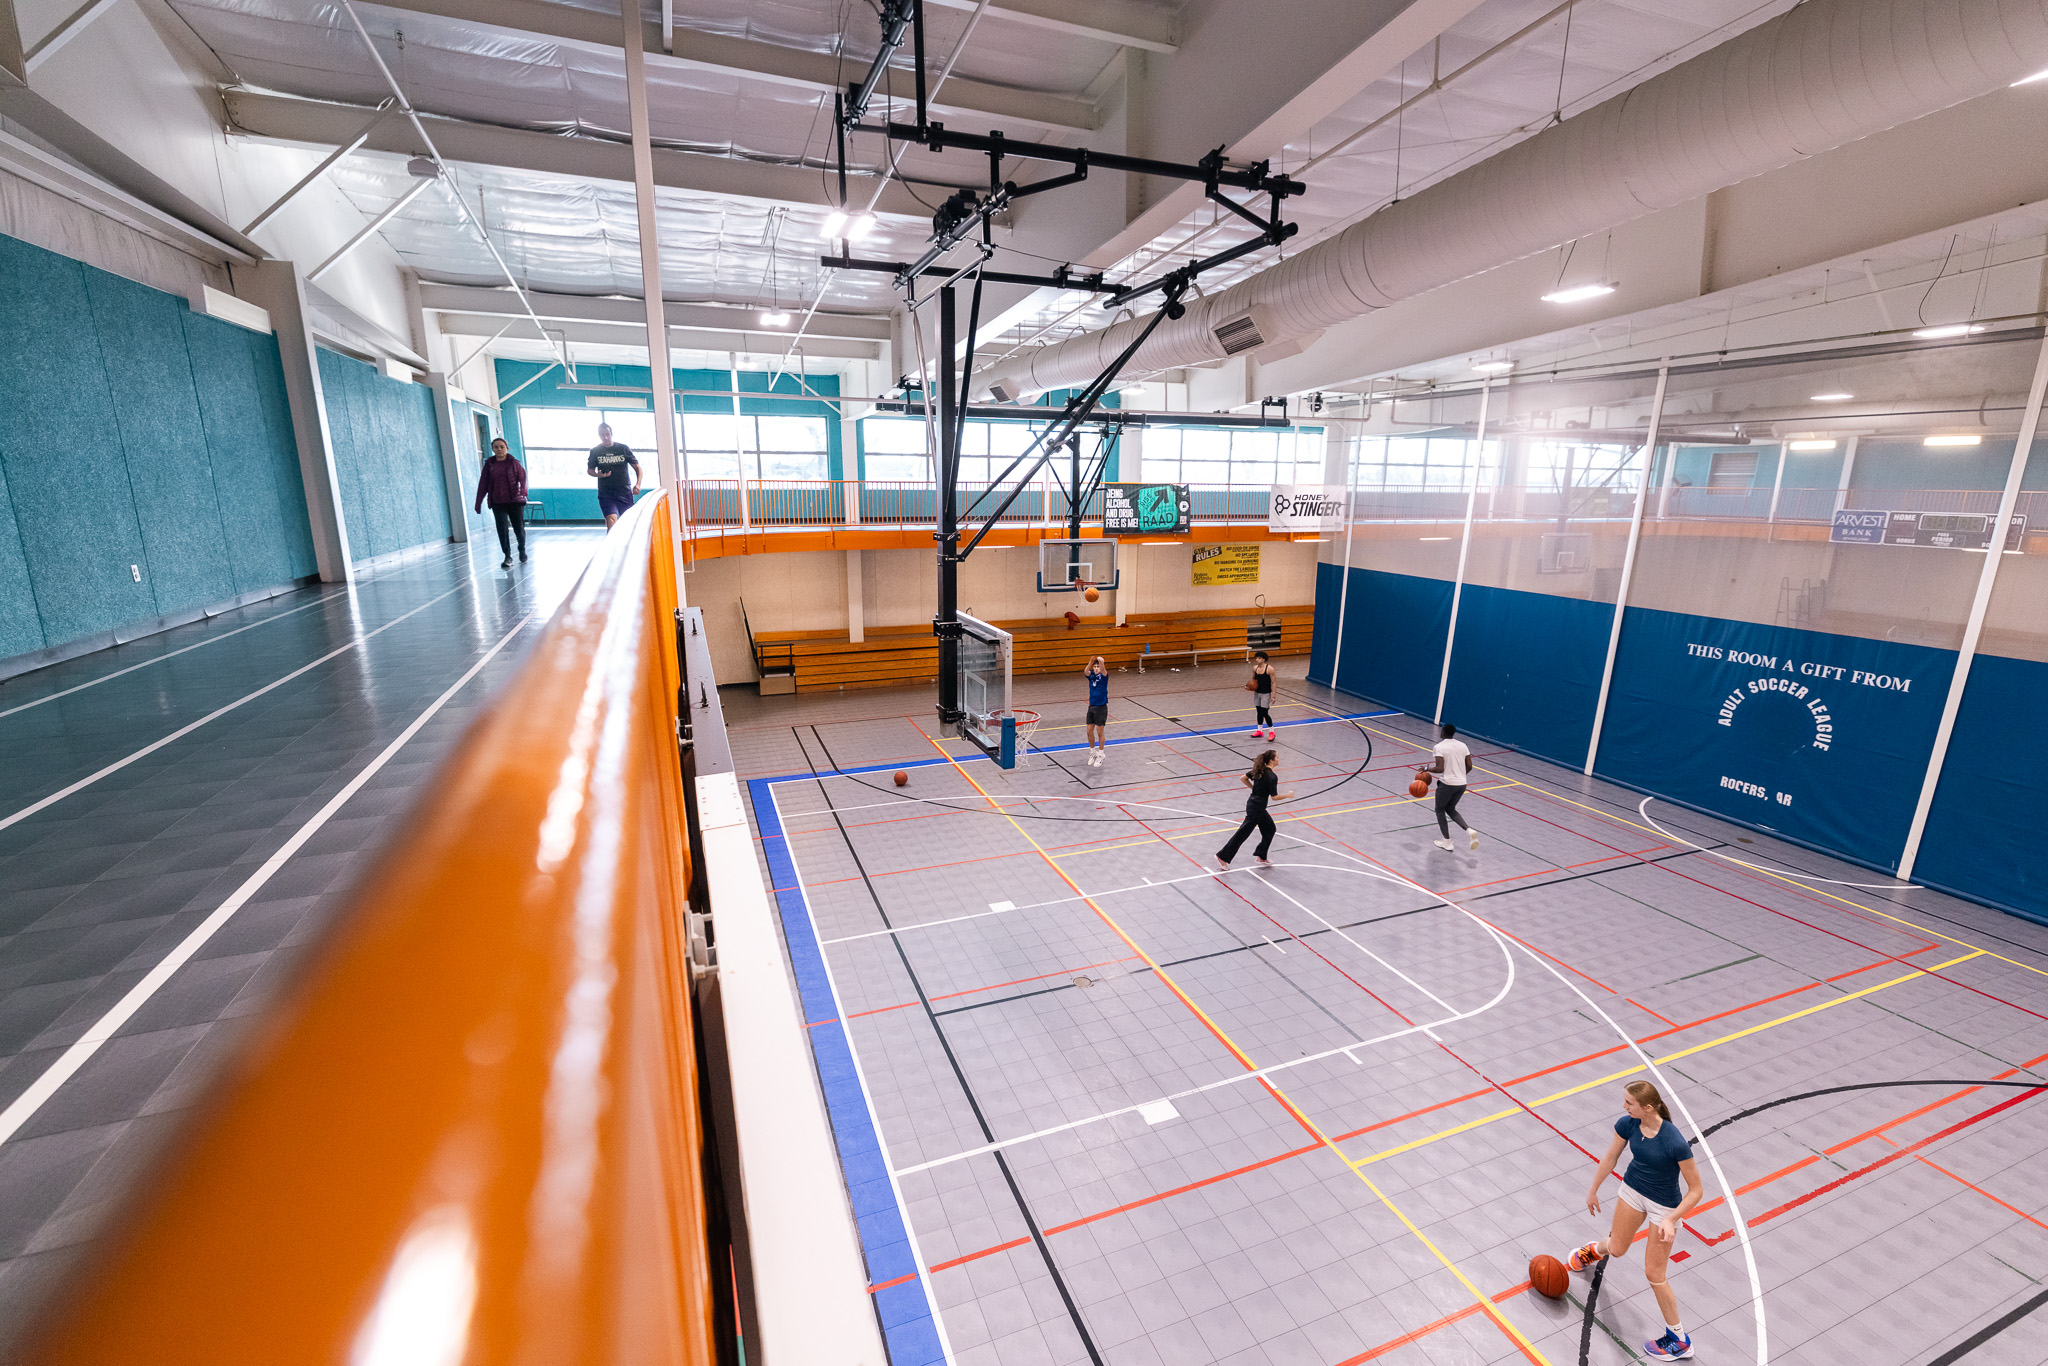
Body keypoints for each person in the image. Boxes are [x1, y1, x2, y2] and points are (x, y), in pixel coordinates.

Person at [1567, 1080, 1704, 1361]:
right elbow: (1611, 1157)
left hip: (1663, 1207)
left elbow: (1697, 1190)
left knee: (1655, 1274)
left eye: (1629, 1103)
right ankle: (1594, 1250)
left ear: (1648, 1107)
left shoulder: (1674, 1141)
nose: (1624, 1106)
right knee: (1617, 1248)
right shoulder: (1628, 1123)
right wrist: (1593, 1190)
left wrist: (1672, 1218)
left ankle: (1679, 1340)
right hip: (1632, 1190)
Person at [1215, 750, 1292, 869]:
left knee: (1270, 829)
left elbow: (1243, 778)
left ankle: (1261, 856)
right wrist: (1288, 795)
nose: (1278, 759)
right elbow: (1274, 797)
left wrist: (1253, 788)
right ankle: (1223, 856)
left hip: (1255, 806)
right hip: (1256, 809)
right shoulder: (1272, 776)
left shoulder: (1258, 770)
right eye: (1276, 758)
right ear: (1271, 761)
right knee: (1242, 834)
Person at [1418, 721, 1479, 852]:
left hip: (1447, 784)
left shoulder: (1439, 747)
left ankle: (1447, 841)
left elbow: (1440, 768)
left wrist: (1426, 769)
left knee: (1439, 810)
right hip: (1462, 783)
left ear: (1444, 732)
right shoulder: (1463, 745)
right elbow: (1469, 766)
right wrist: (1460, 775)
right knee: (1450, 809)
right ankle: (1469, 830)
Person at [473, 436, 528, 568]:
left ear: (507, 448)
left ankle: (521, 549)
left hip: (515, 501)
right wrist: (478, 502)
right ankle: (507, 556)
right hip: (498, 502)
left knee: (518, 528)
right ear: (492, 449)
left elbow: (523, 479)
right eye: (496, 447)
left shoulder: (515, 463)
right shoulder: (489, 465)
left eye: (502, 447)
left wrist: (523, 493)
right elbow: (483, 484)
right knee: (502, 529)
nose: (499, 449)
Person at [587, 422, 641, 528]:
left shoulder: (623, 449)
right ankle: (612, 544)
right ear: (599, 435)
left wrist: (638, 484)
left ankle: (627, 543)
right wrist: (598, 475)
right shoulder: (595, 451)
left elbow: (638, 468)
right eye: (602, 435)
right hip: (605, 491)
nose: (605, 437)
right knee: (611, 520)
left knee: (628, 522)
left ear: (611, 434)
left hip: (624, 490)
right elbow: (590, 470)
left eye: (607, 434)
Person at [1083, 656, 1110, 765]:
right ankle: (1092, 752)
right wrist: (1090, 662)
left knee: (1099, 731)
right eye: (1095, 666)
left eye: (1098, 666)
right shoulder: (1092, 675)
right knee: (1089, 730)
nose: (1096, 668)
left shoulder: (1104, 676)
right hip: (1092, 706)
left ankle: (1101, 753)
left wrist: (1101, 662)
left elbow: (1103, 670)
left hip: (1101, 707)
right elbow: (1086, 671)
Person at [1247, 651, 1276, 738]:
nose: (1257, 660)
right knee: (1259, 711)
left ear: (1263, 659)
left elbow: (1273, 682)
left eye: (1259, 658)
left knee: (1264, 713)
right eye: (1256, 658)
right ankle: (1259, 730)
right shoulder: (1255, 668)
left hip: (1266, 694)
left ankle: (1271, 731)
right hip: (1257, 693)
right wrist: (1249, 686)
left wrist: (1273, 695)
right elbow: (1253, 679)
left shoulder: (1269, 669)